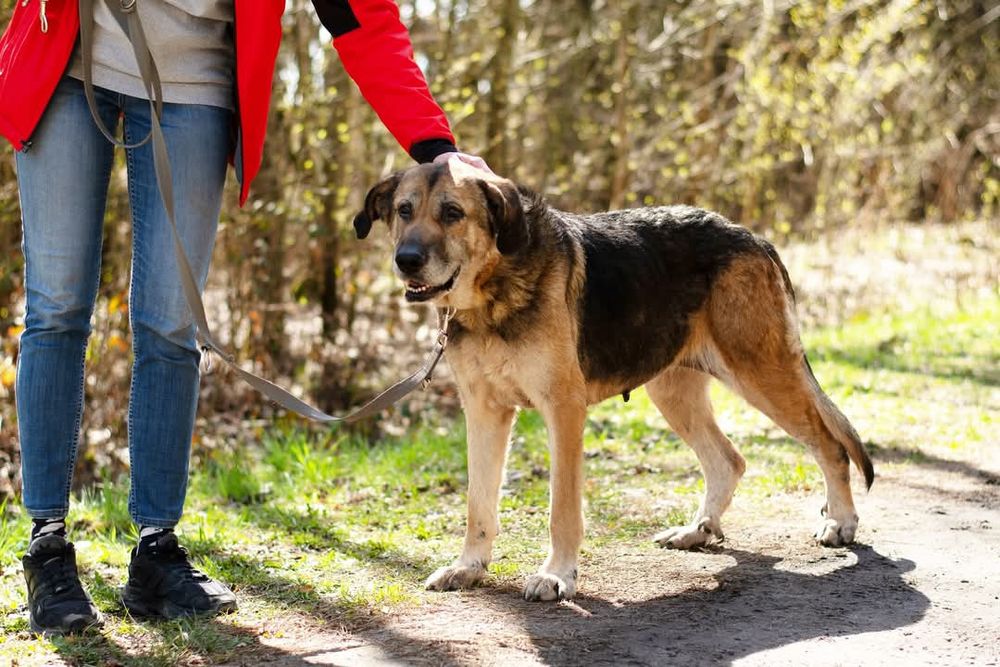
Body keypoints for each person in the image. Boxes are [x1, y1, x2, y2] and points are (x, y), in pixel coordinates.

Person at [0, 0, 488, 635]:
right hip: (64, 61)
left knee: (170, 323)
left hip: (196, 87)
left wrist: (436, 145)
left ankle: (156, 551)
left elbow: (363, 19)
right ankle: (47, 545)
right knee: (57, 309)